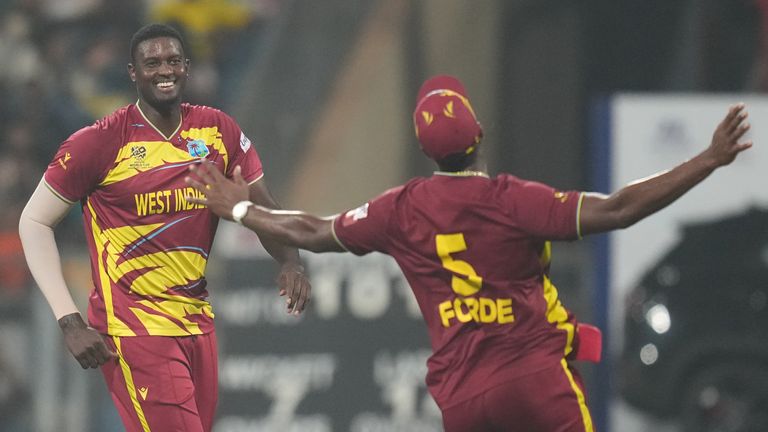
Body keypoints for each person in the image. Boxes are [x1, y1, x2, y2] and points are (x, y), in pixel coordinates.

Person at [184, 75, 752, 432]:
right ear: (479, 132)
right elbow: (619, 209)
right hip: (535, 379)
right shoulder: (513, 200)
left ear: (425, 150)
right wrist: (707, 160)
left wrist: (239, 207)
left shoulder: (400, 209)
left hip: (464, 399)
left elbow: (312, 229)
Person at [18, 23, 311, 432]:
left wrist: (290, 260)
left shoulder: (217, 131)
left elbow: (263, 204)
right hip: (134, 329)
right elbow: (33, 221)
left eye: (173, 61)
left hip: (197, 322)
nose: (164, 70)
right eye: (151, 63)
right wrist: (69, 320)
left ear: (187, 67)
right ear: (133, 72)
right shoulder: (100, 142)